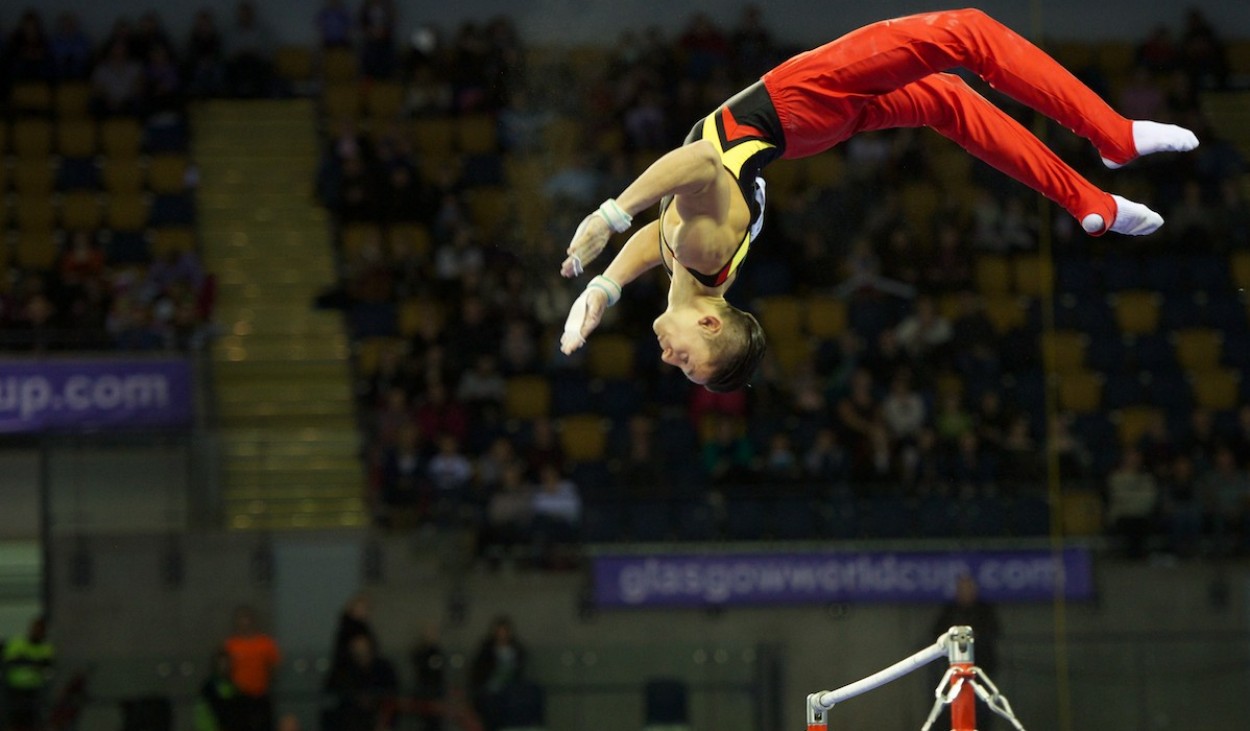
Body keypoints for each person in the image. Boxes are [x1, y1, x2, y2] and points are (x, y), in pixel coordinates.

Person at [557, 8, 1199, 392]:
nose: (670, 360)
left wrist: (603, 291)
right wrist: (610, 213)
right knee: (967, 33)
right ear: (709, 323)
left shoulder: (695, 268)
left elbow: (659, 239)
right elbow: (695, 164)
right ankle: (1112, 136)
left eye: (681, 369)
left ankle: (1090, 203)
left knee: (948, 101)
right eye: (688, 361)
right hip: (796, 103)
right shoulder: (705, 250)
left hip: (806, 130)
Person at [222, 606, 281, 731]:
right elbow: (223, 667)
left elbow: (274, 665)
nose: (244, 622)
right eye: (241, 619)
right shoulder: (231, 644)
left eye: (247, 618)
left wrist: (268, 682)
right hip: (239, 696)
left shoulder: (265, 643)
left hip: (260, 695)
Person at [2, 616, 55, 731]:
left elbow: (47, 665)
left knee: (31, 720)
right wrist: (32, 662)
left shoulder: (46, 647)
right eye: (36, 628)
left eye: (41, 630)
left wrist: (26, 660)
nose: (38, 632)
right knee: (14, 719)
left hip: (33, 689)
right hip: (14, 689)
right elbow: (10, 661)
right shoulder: (17, 643)